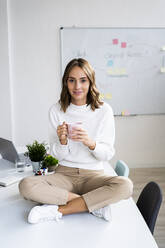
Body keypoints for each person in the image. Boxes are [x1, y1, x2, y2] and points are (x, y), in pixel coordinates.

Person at [19, 58, 133, 224]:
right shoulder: (56, 110)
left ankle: (58, 210)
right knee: (25, 185)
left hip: (93, 175)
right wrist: (63, 142)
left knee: (125, 186)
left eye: (83, 80)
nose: (77, 86)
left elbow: (107, 154)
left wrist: (90, 143)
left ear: (90, 81)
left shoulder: (104, 110)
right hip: (64, 174)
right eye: (71, 80)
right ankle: (93, 204)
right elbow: (56, 157)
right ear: (66, 82)